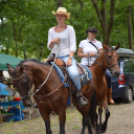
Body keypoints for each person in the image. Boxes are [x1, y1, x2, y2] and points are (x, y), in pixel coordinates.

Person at [47, 7, 88, 107]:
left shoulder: (70, 29)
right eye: (58, 15)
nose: (59, 17)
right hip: (54, 57)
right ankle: (40, 97)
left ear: (65, 17)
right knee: (41, 71)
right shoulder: (51, 30)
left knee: (74, 73)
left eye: (61, 15)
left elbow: (73, 45)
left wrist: (70, 58)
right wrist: (52, 42)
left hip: (66, 56)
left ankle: (79, 95)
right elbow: (49, 47)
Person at [77, 27, 114, 104]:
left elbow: (101, 54)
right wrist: (86, 54)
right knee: (78, 76)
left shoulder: (98, 43)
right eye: (92, 33)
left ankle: (109, 96)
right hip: (85, 65)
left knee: (108, 75)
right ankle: (79, 96)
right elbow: (79, 54)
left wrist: (94, 54)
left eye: (94, 33)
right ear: (88, 33)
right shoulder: (83, 42)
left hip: (96, 65)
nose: (93, 34)